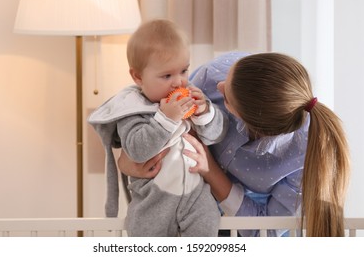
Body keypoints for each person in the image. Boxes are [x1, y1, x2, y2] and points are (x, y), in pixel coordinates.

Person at [118, 51, 350, 237]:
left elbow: (267, 230)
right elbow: (149, 121)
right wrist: (128, 161)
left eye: (226, 97)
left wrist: (210, 170)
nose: (218, 88)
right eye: (226, 80)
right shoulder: (212, 76)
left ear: (250, 123)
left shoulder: (303, 154)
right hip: (184, 206)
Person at [88, 19, 228, 237]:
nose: (179, 83)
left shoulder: (191, 95)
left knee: (208, 227)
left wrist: (204, 113)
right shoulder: (134, 109)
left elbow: (216, 135)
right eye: (167, 75)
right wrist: (166, 119)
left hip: (195, 196)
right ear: (138, 76)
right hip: (153, 201)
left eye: (184, 70)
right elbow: (137, 151)